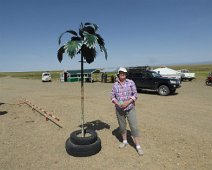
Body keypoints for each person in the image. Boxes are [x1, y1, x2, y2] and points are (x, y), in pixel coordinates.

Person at [111, 67, 144, 156]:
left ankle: (138, 146)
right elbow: (112, 97)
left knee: (134, 127)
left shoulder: (131, 82)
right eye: (121, 73)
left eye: (124, 73)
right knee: (122, 127)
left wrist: (127, 102)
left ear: (126, 74)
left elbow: (135, 95)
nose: (123, 74)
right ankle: (125, 141)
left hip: (130, 108)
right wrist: (118, 103)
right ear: (118, 74)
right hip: (119, 109)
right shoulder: (115, 85)